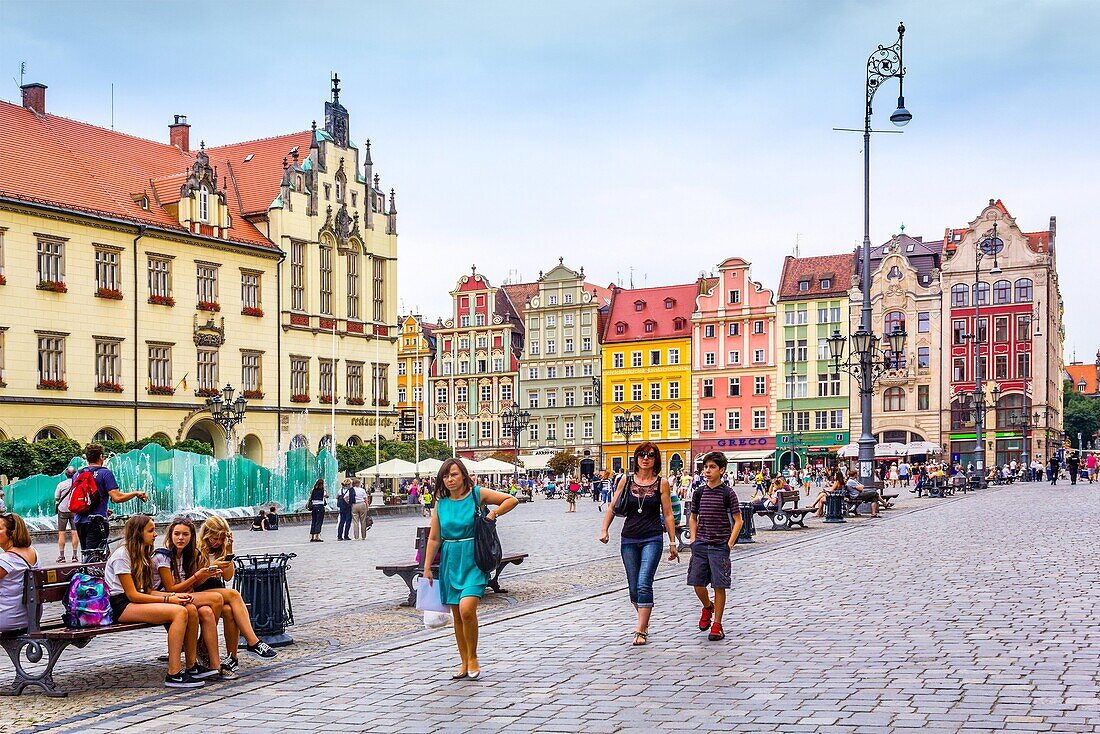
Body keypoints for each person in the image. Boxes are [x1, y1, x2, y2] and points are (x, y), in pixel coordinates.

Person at [422, 458, 519, 680]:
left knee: (467, 609)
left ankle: (473, 657)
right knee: (457, 615)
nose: (450, 480)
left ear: (464, 475)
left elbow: (510, 500)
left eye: (454, 475)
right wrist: (427, 567)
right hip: (450, 559)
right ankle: (463, 661)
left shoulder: (477, 494)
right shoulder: (441, 503)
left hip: (473, 558)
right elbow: (435, 538)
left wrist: (493, 514)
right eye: (446, 476)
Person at [104, 515, 205, 688]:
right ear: (138, 533)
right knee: (179, 612)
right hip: (120, 605)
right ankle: (173, 673)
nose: (155, 534)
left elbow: (148, 591)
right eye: (150, 531)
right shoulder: (122, 556)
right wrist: (168, 598)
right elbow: (133, 595)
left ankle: (191, 666)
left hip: (134, 601)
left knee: (189, 608)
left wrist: (173, 597)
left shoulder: (142, 553)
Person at [598, 442, 680, 647]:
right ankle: (645, 618)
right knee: (633, 587)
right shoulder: (625, 480)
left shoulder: (662, 483)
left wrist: (672, 541)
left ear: (656, 460)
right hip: (629, 539)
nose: (646, 458)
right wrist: (604, 530)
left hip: (652, 538)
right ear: (636, 458)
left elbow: (668, 514)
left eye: (650, 455)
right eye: (642, 455)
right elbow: (612, 506)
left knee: (644, 582)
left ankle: (641, 629)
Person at [195, 516, 278, 670]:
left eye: (221, 539)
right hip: (201, 592)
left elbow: (228, 576)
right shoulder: (197, 551)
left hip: (217, 592)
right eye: (215, 539)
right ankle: (253, 642)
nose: (218, 542)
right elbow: (195, 582)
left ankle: (232, 657)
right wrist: (211, 568)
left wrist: (228, 550)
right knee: (233, 594)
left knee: (228, 610)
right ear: (206, 535)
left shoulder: (221, 549)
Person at [153, 517, 227, 679]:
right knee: (216, 599)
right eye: (177, 534)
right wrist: (196, 576)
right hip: (165, 598)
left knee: (207, 611)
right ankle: (200, 647)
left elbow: (189, 584)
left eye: (185, 534)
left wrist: (204, 574)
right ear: (170, 535)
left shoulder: (188, 554)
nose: (181, 538)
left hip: (182, 596)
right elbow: (171, 588)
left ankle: (214, 666)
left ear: (191, 537)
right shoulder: (163, 556)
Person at [687, 452, 742, 642]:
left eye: (712, 467)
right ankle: (707, 606)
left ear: (722, 470)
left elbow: (738, 520)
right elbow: (693, 517)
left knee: (719, 585)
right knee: (697, 583)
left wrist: (729, 543)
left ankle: (717, 624)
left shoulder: (728, 493)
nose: (707, 471)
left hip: (720, 545)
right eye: (705, 467)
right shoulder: (699, 492)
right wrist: (693, 539)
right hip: (701, 544)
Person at [73, 443, 148, 558]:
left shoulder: (78, 474)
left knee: (86, 554)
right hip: (96, 521)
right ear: (101, 457)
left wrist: (104, 508)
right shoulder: (105, 473)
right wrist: (135, 493)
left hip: (79, 520)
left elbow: (81, 498)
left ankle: (86, 570)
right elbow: (117, 497)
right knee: (95, 557)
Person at [0, 512, 39, 633]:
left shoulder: (6, 560)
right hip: (30, 617)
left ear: (11, 534)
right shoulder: (33, 552)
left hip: (8, 618)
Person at [54, 466, 79, 563]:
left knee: (61, 533)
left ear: (66, 474)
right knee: (74, 532)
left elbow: (56, 497)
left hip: (63, 510)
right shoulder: (77, 484)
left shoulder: (61, 484)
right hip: (75, 510)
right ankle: (74, 556)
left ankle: (62, 556)